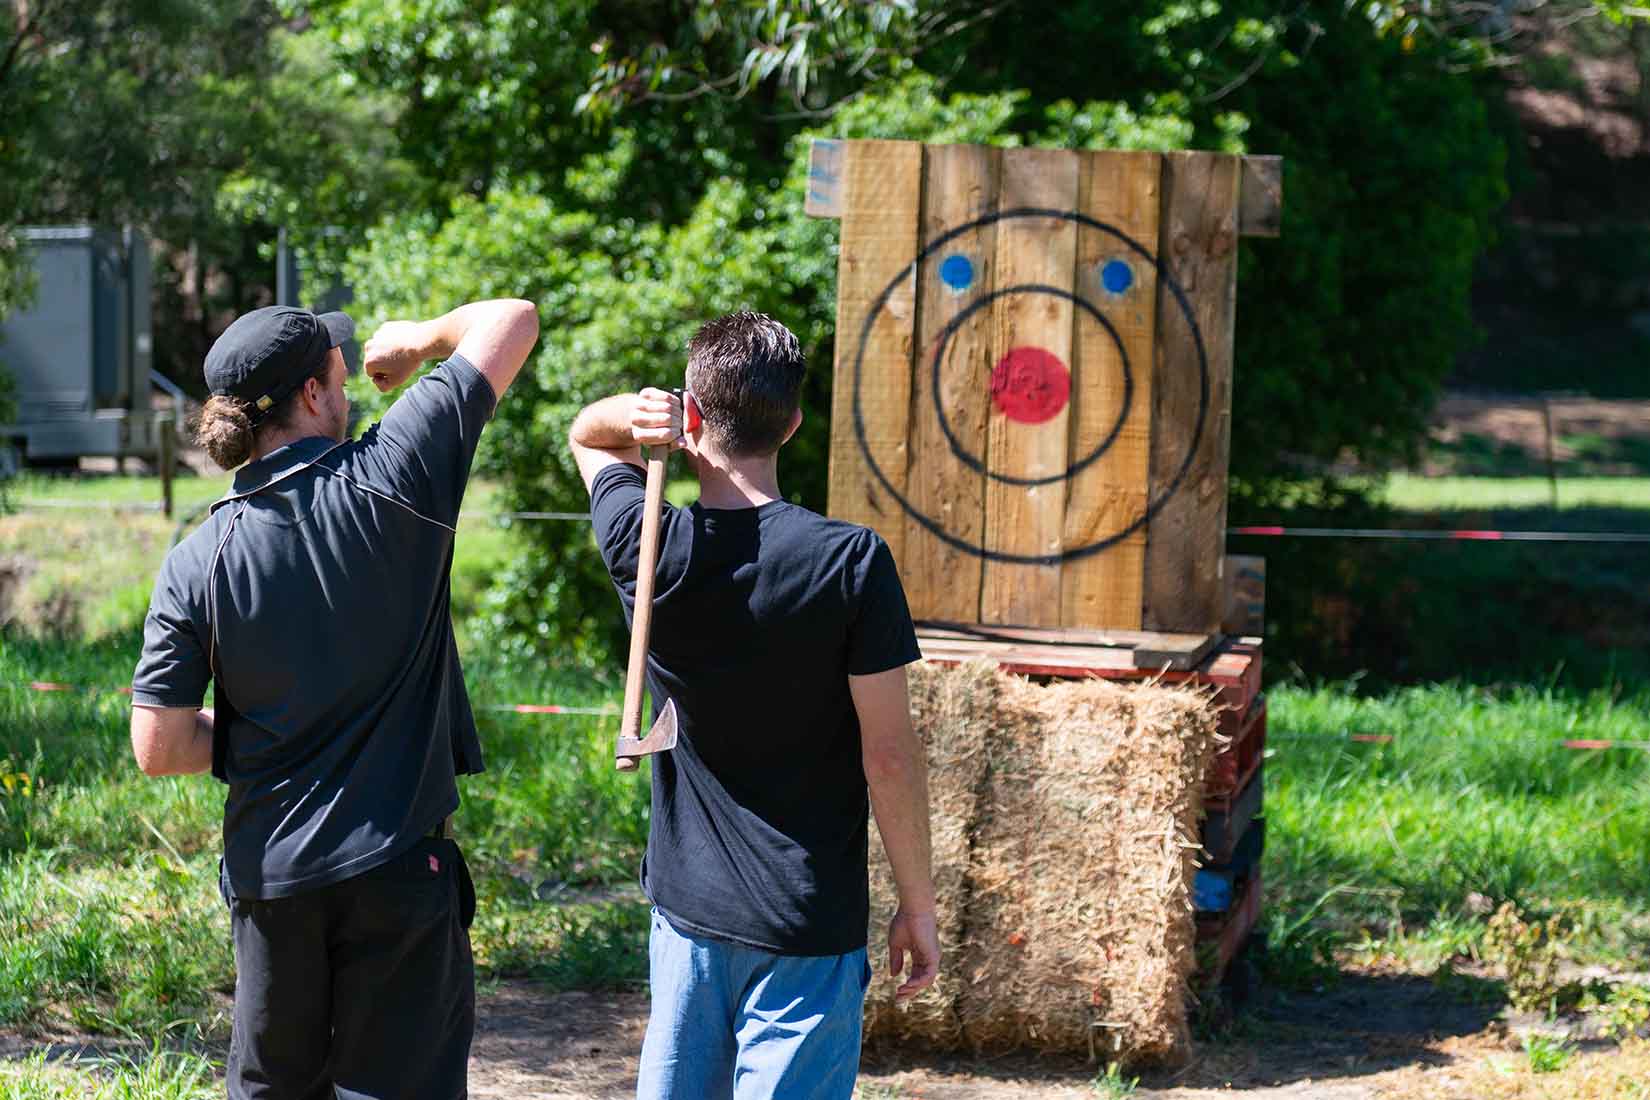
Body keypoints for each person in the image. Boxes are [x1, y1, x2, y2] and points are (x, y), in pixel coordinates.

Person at [129, 298, 538, 1099]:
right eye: (340, 375)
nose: (350, 387)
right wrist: (418, 343)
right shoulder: (395, 474)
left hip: (271, 880)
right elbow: (513, 319)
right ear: (312, 395)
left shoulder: (197, 559)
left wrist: (258, 731)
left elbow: (160, 747)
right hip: (399, 867)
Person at [568, 310, 941, 1100]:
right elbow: (888, 756)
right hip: (807, 921)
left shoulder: (648, 547)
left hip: (688, 915)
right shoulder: (850, 562)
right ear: (794, 424)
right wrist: (918, 905)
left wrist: (636, 413)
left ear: (689, 421)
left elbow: (587, 436)